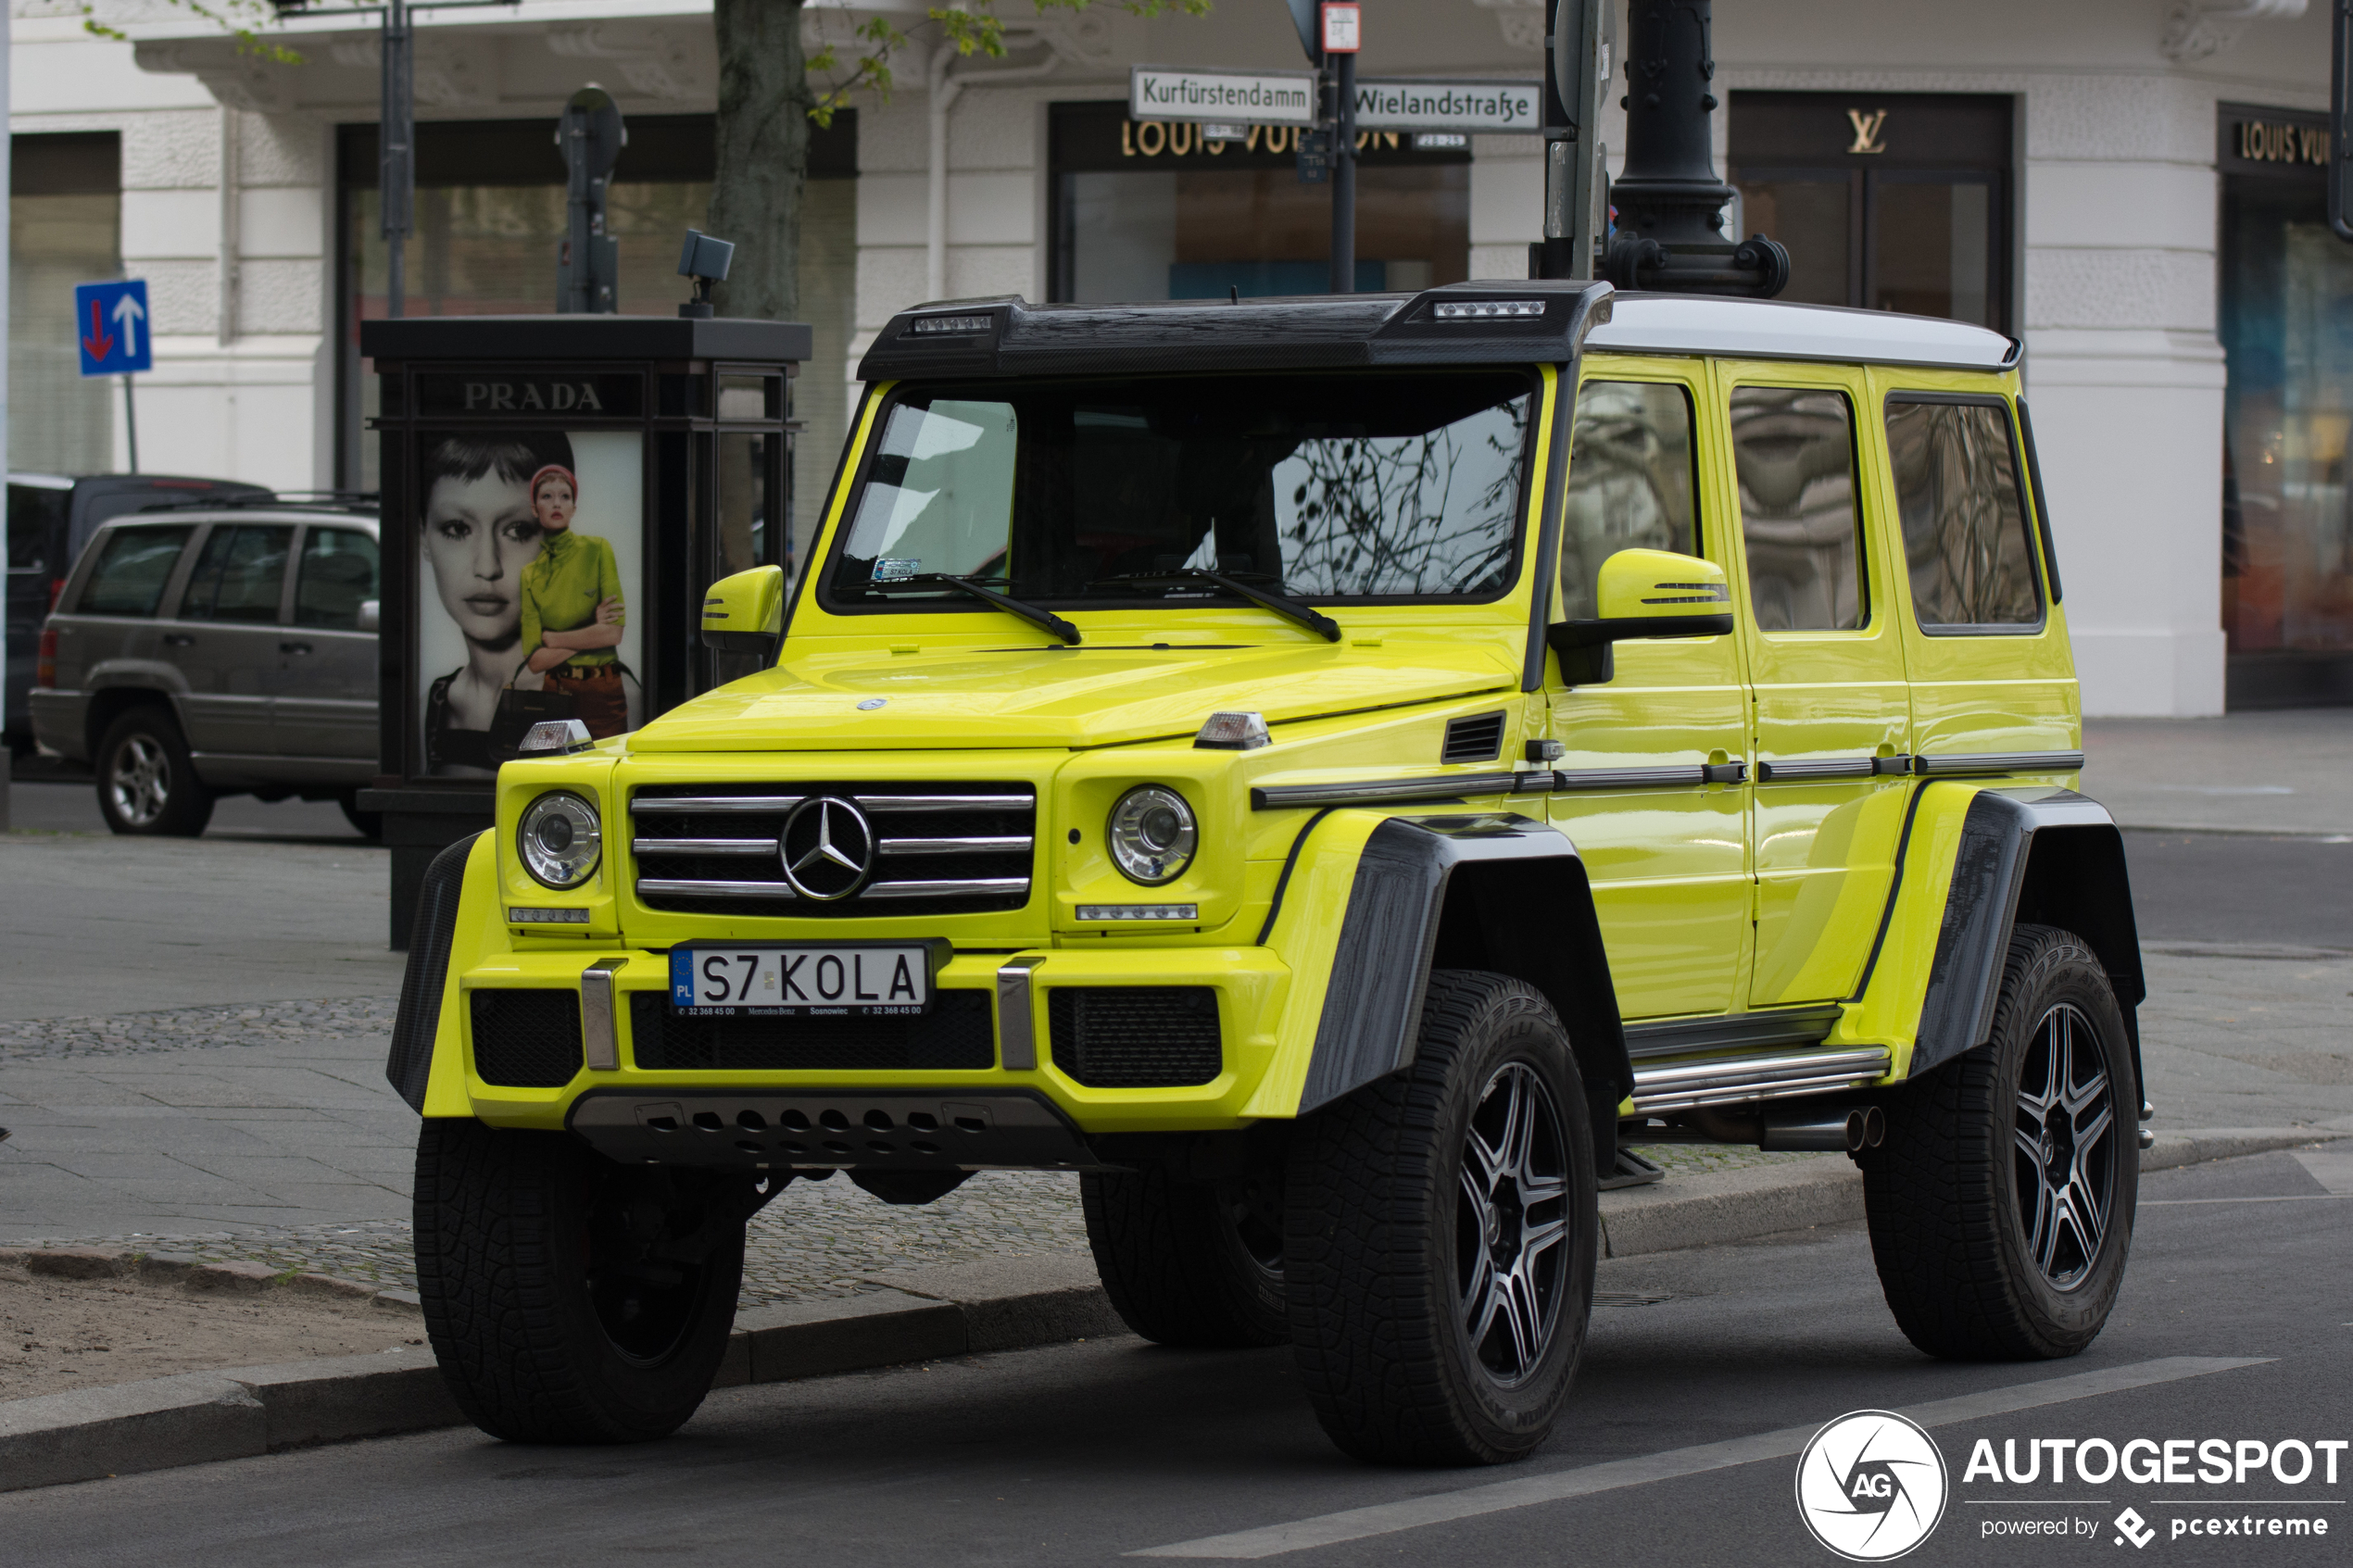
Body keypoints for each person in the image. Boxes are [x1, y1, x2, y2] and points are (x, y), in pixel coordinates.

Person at [420, 433, 557, 774]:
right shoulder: (432, 704)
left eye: (517, 531)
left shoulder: (605, 694)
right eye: (457, 528)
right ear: (423, 539)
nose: (487, 567)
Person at [517, 462, 631, 738]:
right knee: (556, 774)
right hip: (555, 692)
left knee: (605, 769)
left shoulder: (598, 549)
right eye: (547, 496)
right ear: (535, 509)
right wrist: (592, 628)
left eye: (564, 497)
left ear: (573, 508)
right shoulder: (530, 574)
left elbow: (613, 633)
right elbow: (535, 660)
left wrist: (555, 639)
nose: (556, 503)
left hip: (603, 693)